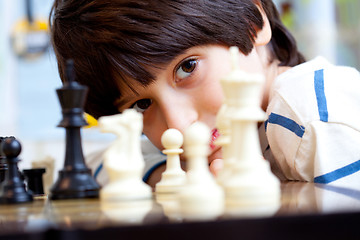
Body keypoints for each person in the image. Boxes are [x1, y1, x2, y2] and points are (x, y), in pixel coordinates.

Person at [49, 0, 360, 189]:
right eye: (142, 104)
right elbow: (95, 163)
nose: (178, 126)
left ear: (253, 23)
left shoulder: (309, 117)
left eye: (187, 68)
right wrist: (168, 174)